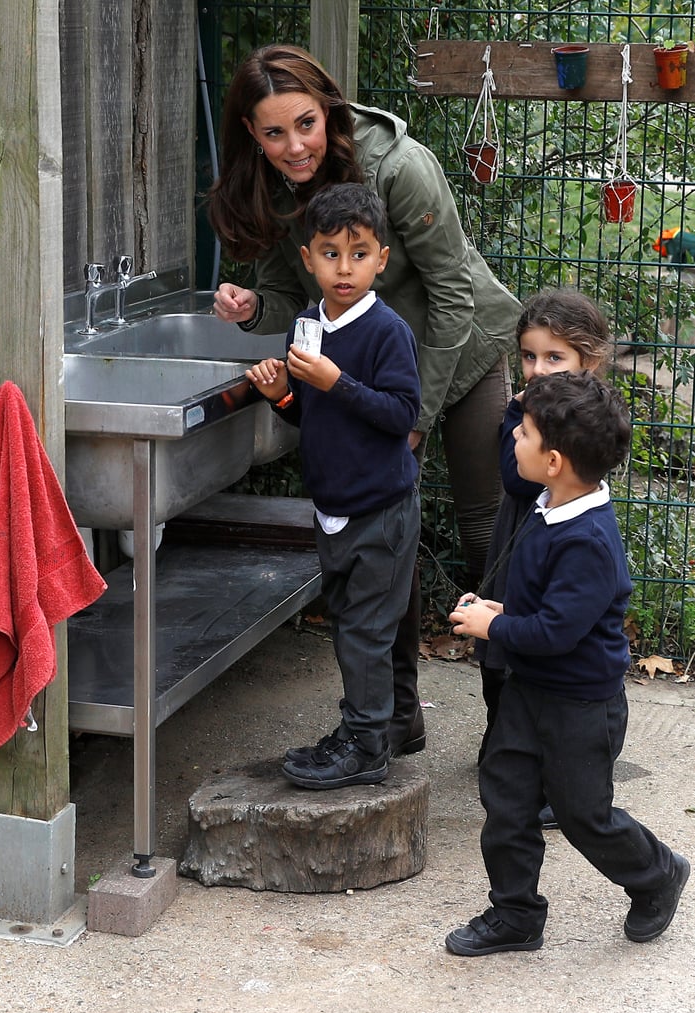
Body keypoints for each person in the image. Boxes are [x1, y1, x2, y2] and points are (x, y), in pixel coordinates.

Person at [208, 44, 521, 759]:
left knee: (485, 538)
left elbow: (451, 293)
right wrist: (255, 306)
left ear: (330, 110)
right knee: (388, 546)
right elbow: (291, 295)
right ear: (252, 134)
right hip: (370, 378)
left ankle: (515, 732)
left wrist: (412, 414)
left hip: (457, 352)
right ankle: (394, 719)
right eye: (273, 133)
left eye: (306, 125)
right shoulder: (272, 184)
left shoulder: (398, 167)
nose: (293, 146)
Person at [445, 371, 689, 956]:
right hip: (530, 690)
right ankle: (516, 914)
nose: (514, 443)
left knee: (584, 815)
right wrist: (502, 607)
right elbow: (547, 607)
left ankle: (657, 875)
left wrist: (494, 626)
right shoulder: (550, 505)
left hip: (581, 705)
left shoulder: (588, 541)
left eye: (522, 435)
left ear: (553, 460)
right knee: (505, 799)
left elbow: (556, 631)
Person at [245, 182, 420, 789]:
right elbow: (307, 418)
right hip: (332, 508)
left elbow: (401, 416)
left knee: (367, 632)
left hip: (382, 510)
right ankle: (364, 729)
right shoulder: (304, 325)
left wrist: (336, 380)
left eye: (358, 253)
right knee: (350, 627)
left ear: (382, 259)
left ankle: (368, 746)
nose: (344, 269)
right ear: (307, 257)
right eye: (329, 253)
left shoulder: (388, 331)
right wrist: (282, 396)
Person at [475, 290, 612, 773]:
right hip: (516, 540)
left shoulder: (586, 420)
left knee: (543, 639)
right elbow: (513, 479)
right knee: (497, 651)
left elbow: (518, 477)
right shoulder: (525, 413)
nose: (538, 370)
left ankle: (554, 765)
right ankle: (504, 734)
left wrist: (521, 416)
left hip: (558, 544)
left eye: (555, 357)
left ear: (588, 363)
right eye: (530, 357)